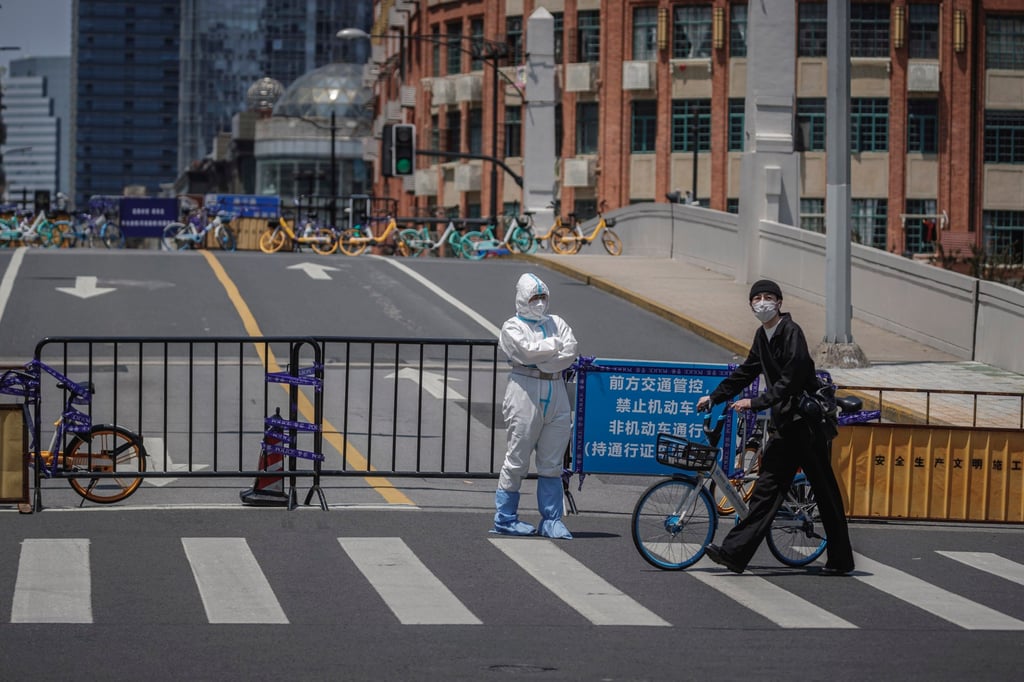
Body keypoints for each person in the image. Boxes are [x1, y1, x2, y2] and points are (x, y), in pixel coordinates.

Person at [695, 279, 855, 576]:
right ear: (751, 305)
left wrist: (755, 403)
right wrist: (715, 397)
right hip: (786, 427)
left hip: (807, 426)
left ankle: (841, 560)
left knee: (825, 493)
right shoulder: (762, 335)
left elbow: (791, 379)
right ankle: (734, 554)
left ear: (780, 303)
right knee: (766, 490)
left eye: (769, 297)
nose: (762, 302)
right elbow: (746, 371)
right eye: (757, 298)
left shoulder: (791, 332)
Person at [493, 273, 579, 539]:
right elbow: (525, 353)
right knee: (517, 458)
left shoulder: (558, 322)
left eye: (543, 297)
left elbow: (570, 351)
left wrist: (543, 356)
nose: (540, 303)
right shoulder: (512, 327)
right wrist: (553, 347)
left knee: (552, 462)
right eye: (534, 297)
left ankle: (551, 519)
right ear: (523, 298)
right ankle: (505, 518)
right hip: (524, 391)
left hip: (556, 391)